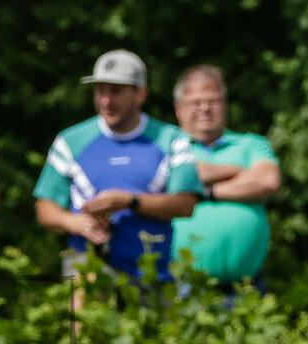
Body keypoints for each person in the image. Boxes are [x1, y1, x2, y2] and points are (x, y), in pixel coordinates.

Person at [34, 50, 201, 282]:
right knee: (85, 312)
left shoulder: (171, 139)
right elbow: (44, 207)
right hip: (87, 266)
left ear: (140, 94)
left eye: (116, 91)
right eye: (100, 90)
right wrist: (76, 223)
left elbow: (186, 204)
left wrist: (129, 201)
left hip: (152, 272)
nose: (106, 100)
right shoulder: (70, 141)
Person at [172, 65, 281, 291]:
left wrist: (206, 192)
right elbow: (184, 174)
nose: (205, 109)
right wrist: (237, 171)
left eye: (213, 101)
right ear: (178, 108)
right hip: (181, 285)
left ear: (225, 104)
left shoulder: (251, 143)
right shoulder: (169, 145)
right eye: (196, 103)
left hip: (247, 286)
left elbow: (267, 180)